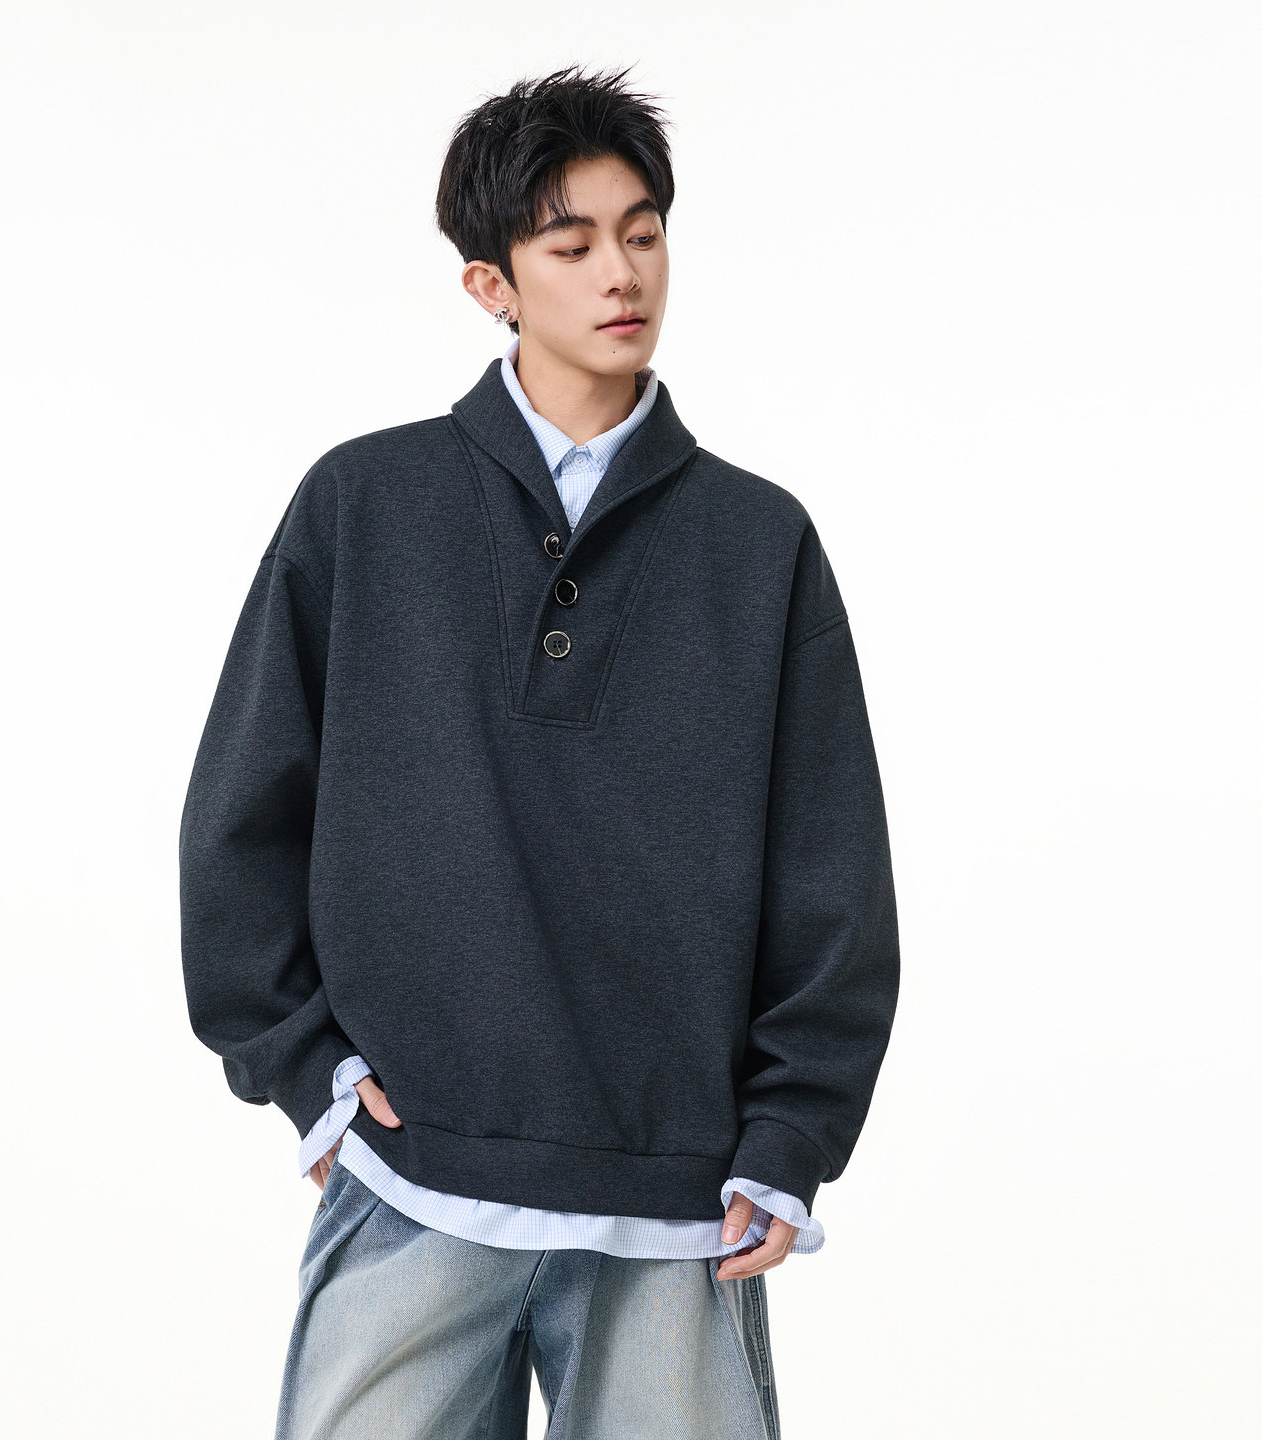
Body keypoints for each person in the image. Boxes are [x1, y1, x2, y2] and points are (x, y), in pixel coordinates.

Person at [178, 62, 900, 1440]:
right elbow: (241, 811)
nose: (622, 273)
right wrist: (306, 1072)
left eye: (644, 232)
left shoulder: (760, 544)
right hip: (413, 1171)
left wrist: (792, 1131)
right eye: (571, 246)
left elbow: (833, 875)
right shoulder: (364, 505)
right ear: (491, 284)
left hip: (676, 1196)